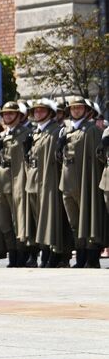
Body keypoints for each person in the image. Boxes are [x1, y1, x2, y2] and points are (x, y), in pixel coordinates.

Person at [59, 96, 106, 268]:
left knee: (88, 219)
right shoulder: (66, 129)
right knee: (74, 222)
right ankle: (80, 257)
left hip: (83, 181)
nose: (76, 110)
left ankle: (91, 258)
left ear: (87, 111)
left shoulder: (91, 129)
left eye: (79, 108)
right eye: (73, 108)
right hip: (67, 181)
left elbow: (94, 159)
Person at [25, 99, 67, 267]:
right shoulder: (36, 132)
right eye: (36, 111)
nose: (38, 113)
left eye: (42, 111)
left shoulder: (55, 131)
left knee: (49, 217)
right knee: (38, 218)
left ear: (50, 113)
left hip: (49, 179)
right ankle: (43, 251)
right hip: (34, 179)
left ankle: (52, 254)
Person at [0, 101, 33, 267]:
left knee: (18, 220)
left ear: (19, 116)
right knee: (5, 222)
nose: (7, 116)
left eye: (10, 113)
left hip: (17, 180)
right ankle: (12, 253)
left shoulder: (25, 133)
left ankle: (20, 255)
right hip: (1, 181)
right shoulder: (1, 136)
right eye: (5, 114)